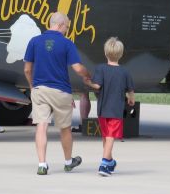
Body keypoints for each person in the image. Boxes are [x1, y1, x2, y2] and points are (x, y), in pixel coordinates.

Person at [23, 12, 92, 175]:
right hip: (61, 91)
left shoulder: (34, 41)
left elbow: (27, 69)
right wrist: (87, 75)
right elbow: (77, 68)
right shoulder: (67, 43)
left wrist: (32, 86)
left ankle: (42, 164)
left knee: (41, 126)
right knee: (65, 128)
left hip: (40, 90)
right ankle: (68, 162)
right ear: (60, 25)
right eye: (67, 27)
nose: (67, 30)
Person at [88, 37, 135, 176]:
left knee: (106, 136)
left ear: (105, 53)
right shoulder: (125, 72)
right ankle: (104, 163)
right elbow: (130, 90)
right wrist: (131, 100)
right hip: (115, 110)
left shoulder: (100, 68)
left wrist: (88, 82)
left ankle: (109, 161)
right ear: (121, 54)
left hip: (102, 109)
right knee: (109, 137)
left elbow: (97, 86)